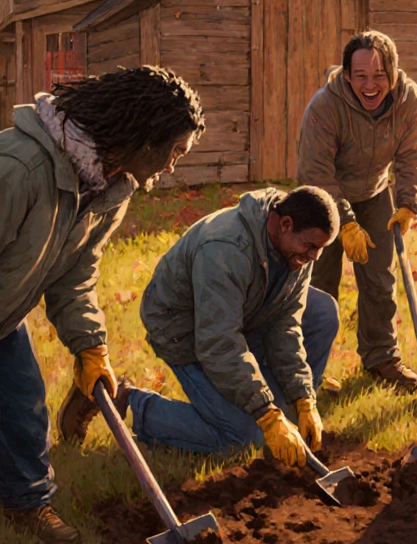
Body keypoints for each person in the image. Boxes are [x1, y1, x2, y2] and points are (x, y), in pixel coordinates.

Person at [0, 66, 204, 544]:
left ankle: (24, 498)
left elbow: (76, 271)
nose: (173, 166)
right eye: (174, 151)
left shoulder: (111, 186)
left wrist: (91, 347)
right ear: (144, 137)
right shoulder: (19, 167)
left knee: (24, 403)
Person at [62, 187, 340, 464]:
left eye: (320, 248)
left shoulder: (294, 245)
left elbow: (286, 322)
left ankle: (286, 414)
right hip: (186, 331)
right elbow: (219, 344)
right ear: (285, 224)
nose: (315, 256)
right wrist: (266, 415)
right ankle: (128, 401)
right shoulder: (226, 249)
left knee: (323, 313)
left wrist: (303, 397)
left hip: (241, 314)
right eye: (311, 246)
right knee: (248, 437)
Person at [296, 30, 417, 393]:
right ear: (347, 74)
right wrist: (345, 224)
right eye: (361, 76)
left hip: (373, 193)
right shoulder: (325, 106)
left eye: (379, 76)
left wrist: (407, 202)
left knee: (379, 280)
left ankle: (381, 357)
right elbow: (316, 173)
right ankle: (307, 368)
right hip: (321, 198)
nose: (370, 85)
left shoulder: (408, 99)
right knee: (318, 286)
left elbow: (413, 154)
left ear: (393, 72)